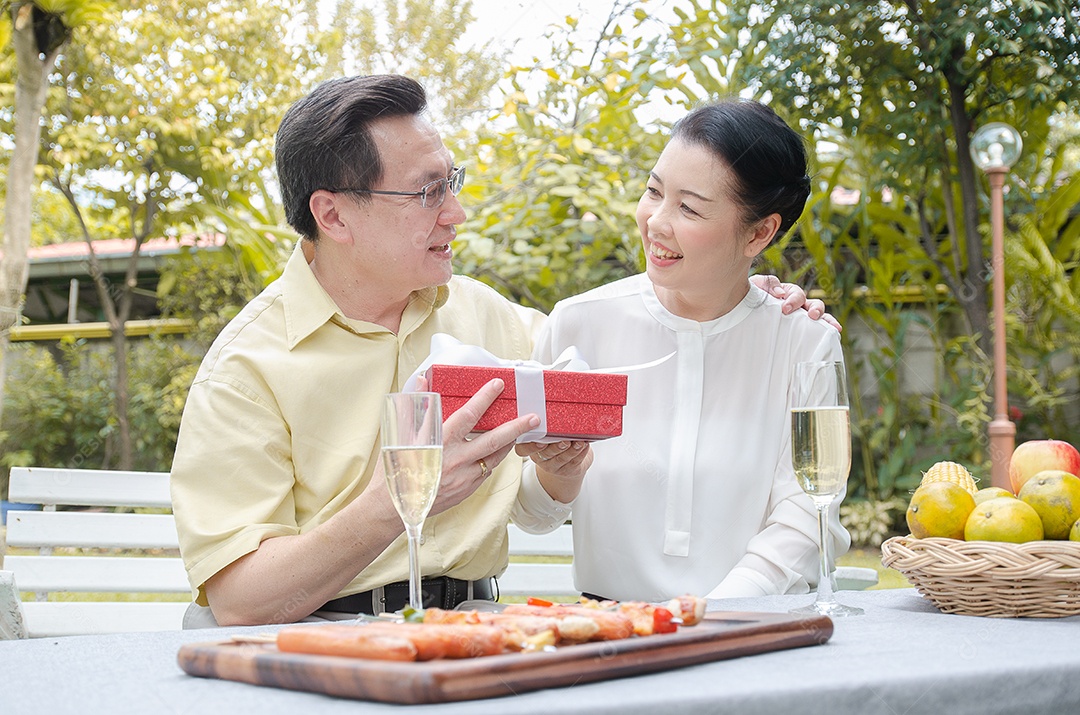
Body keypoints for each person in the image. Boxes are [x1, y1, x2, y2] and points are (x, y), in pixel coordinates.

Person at [170, 75, 827, 627]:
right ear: (334, 216)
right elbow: (237, 599)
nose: (456, 211)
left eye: (450, 180)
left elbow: (653, 332)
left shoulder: (491, 318)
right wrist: (396, 500)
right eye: (428, 191)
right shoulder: (247, 370)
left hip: (483, 637)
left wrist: (742, 290)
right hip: (320, 648)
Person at [516, 99, 850, 603]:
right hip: (610, 635)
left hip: (748, 629)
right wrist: (555, 472)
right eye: (654, 191)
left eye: (689, 207)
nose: (656, 221)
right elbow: (532, 516)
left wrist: (705, 618)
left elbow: (807, 518)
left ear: (759, 232)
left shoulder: (803, 340)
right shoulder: (581, 325)